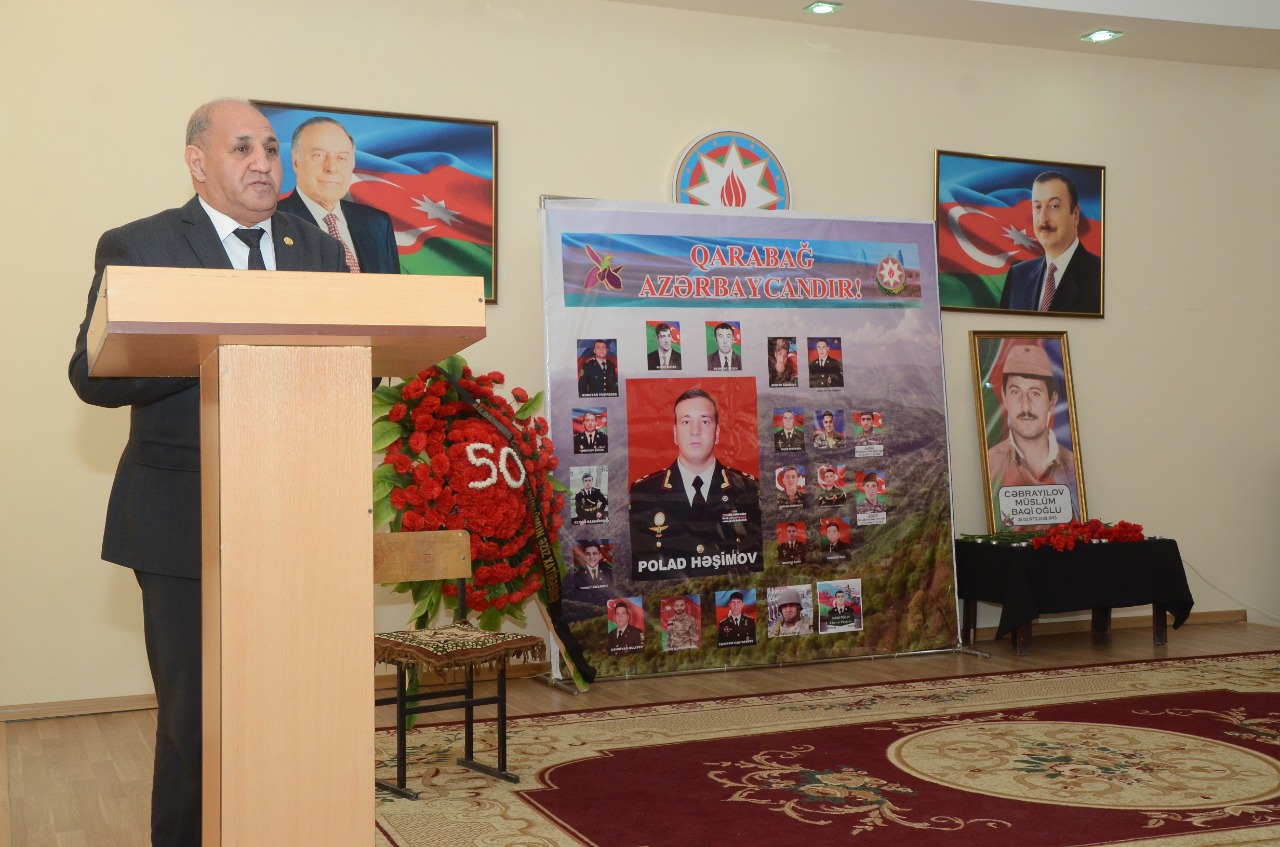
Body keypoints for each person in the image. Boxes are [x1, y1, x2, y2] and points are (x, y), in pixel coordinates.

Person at [68, 98, 350, 847]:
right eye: (242, 148)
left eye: (270, 148)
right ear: (198, 161)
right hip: (178, 519)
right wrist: (210, 341)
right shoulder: (141, 244)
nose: (263, 163)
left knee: (289, 713)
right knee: (195, 722)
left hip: (294, 515)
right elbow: (90, 375)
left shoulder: (315, 249)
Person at [629, 388, 762, 567]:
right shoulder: (644, 493)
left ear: (717, 433)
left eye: (705, 421)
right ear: (675, 434)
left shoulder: (748, 489)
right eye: (686, 422)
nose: (695, 431)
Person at [276, 116, 399, 274]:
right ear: (296, 162)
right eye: (318, 155)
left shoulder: (378, 224)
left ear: (352, 163)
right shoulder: (273, 222)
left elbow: (393, 287)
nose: (332, 167)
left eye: (342, 157)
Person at [985, 343, 1079, 512]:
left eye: (1035, 393)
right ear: (1005, 398)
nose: (1025, 406)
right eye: (1015, 392)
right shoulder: (990, 465)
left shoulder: (1073, 467)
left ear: (1052, 401)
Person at [998, 171, 1102, 314]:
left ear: (1075, 215)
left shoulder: (1100, 276)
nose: (1043, 219)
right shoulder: (1017, 276)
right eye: (1037, 207)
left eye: (1054, 206)